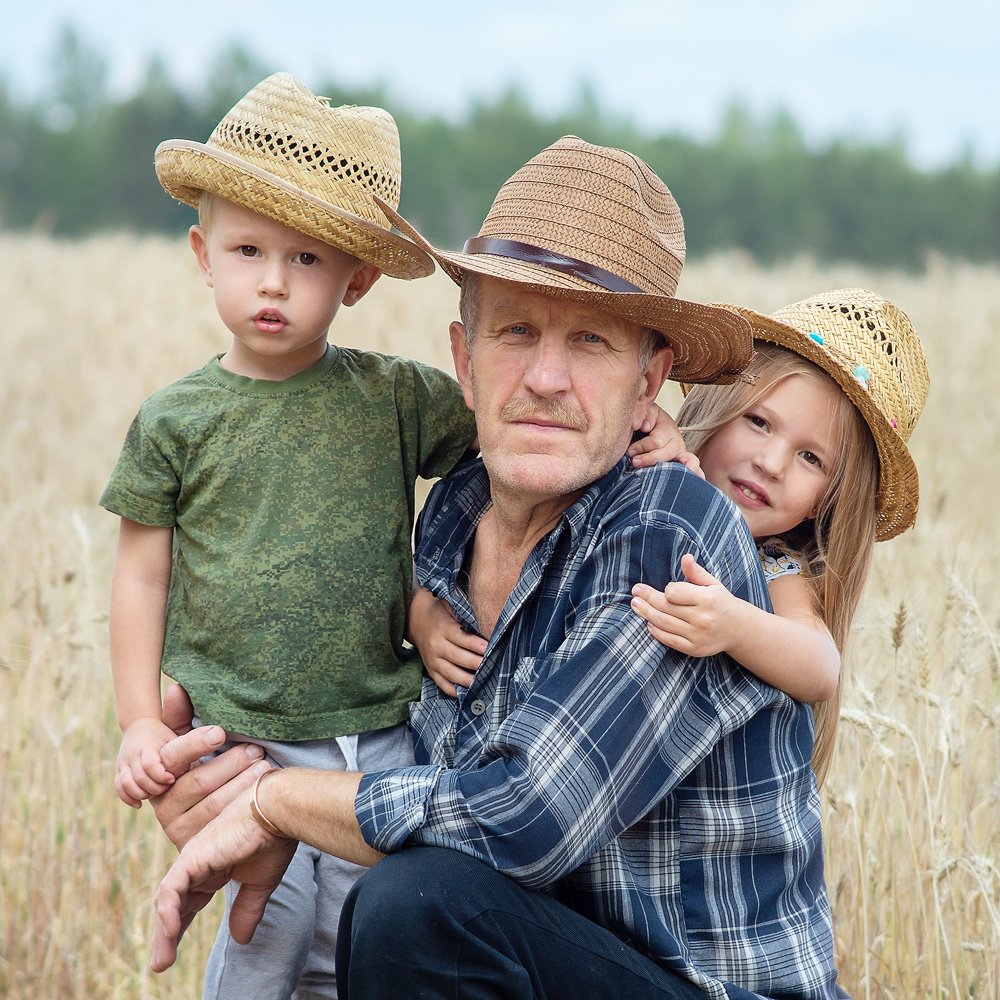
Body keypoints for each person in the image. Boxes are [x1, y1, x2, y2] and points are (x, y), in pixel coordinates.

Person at [147, 137, 850, 999]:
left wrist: (275, 801)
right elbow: (384, 747)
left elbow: (527, 820)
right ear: (464, 361)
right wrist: (218, 752)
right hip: (549, 960)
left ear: (648, 384)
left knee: (418, 905)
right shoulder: (450, 513)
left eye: (590, 340)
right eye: (516, 330)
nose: (546, 377)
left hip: (706, 987)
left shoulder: (668, 527)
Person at [101, 78, 684, 1000]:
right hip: (245, 731)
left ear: (357, 279)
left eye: (306, 259)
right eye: (247, 251)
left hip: (386, 742)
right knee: (273, 926)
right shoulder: (182, 422)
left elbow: (525, 816)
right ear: (202, 255)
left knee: (378, 916)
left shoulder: (401, 404)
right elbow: (142, 578)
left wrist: (654, 426)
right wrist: (144, 721)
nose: (273, 282)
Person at [630, 290, 929, 784]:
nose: (771, 464)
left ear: (825, 502)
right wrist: (650, 435)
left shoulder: (773, 564)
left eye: (811, 458)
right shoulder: (661, 463)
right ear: (719, 405)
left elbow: (820, 665)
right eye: (758, 421)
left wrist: (733, 624)